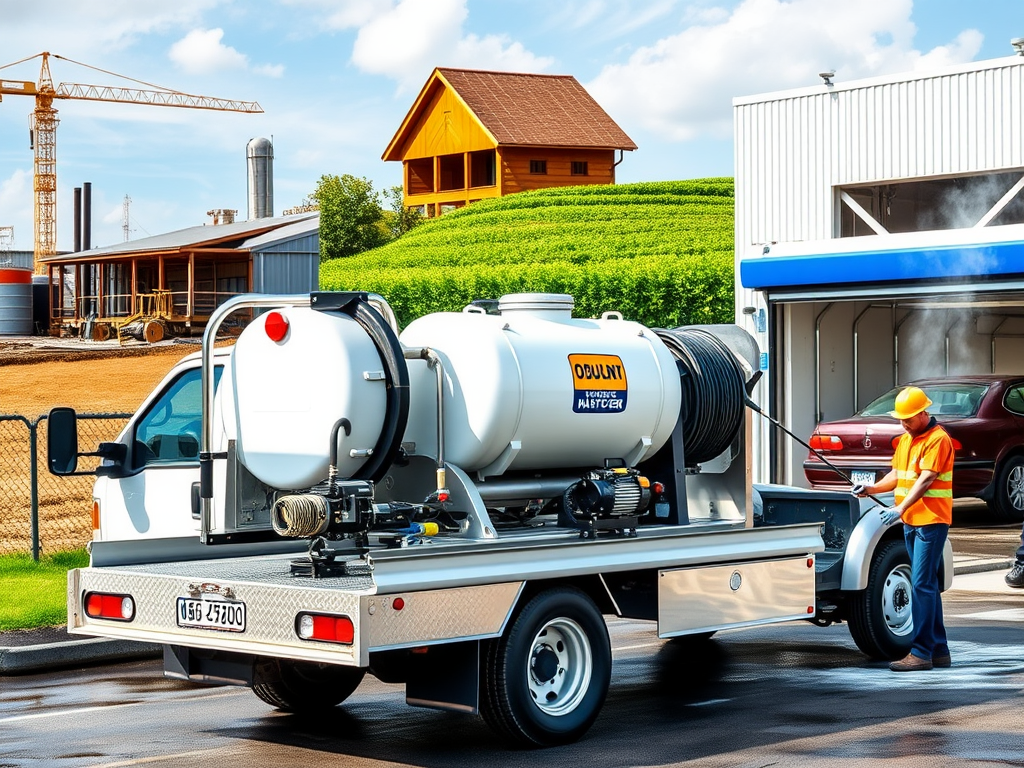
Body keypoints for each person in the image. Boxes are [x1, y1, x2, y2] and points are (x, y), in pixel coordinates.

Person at [852, 386, 954, 672]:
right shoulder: (907, 440)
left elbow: (925, 480)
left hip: (931, 521)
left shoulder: (938, 440)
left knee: (921, 584)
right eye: (901, 418)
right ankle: (939, 650)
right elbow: (897, 475)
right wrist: (871, 488)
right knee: (927, 586)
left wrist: (899, 508)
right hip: (912, 521)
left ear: (923, 413)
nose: (903, 423)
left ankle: (921, 652)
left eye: (908, 418)